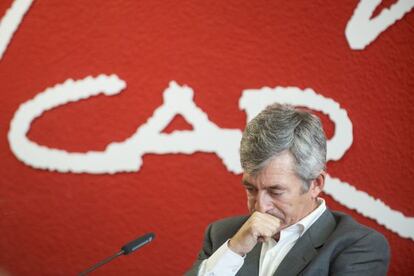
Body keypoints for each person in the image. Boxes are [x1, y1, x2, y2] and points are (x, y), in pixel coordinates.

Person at [186, 103, 390, 276]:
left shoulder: (360, 246)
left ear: (315, 184)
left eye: (275, 192)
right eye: (251, 189)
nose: (260, 208)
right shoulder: (223, 236)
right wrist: (234, 251)